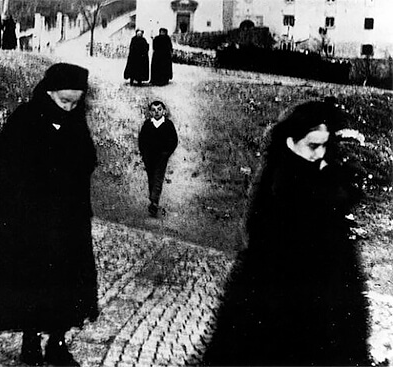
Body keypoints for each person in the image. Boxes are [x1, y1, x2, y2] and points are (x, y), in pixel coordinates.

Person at [202, 100, 371, 366]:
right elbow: (269, 239)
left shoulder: (322, 174)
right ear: (291, 142)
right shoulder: (280, 184)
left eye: (324, 145)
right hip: (283, 302)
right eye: (312, 146)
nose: (319, 154)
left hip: (321, 302)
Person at [0, 63, 99, 367]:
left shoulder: (76, 122)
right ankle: (30, 341)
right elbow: (6, 161)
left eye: (75, 102)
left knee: (64, 280)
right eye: (64, 101)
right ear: (48, 92)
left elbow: (87, 160)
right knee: (31, 277)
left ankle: (57, 341)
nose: (70, 108)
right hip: (29, 218)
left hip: (66, 219)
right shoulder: (26, 118)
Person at [138, 100, 178, 217]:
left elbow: (173, 141)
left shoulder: (168, 124)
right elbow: (142, 140)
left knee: (158, 178)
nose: (157, 112)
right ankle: (153, 200)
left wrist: (166, 153)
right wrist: (144, 154)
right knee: (151, 178)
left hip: (161, 157)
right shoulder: (147, 125)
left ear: (164, 111)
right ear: (150, 112)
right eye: (154, 110)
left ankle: (154, 202)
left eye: (159, 109)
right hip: (149, 157)